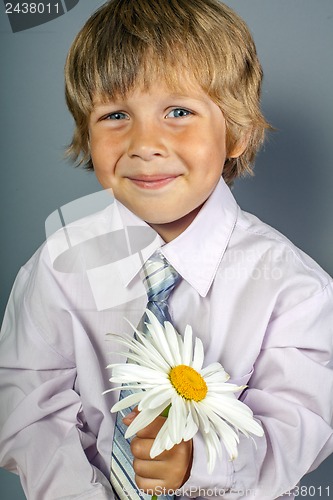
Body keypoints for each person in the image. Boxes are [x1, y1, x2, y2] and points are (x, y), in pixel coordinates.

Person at [0, 0, 332, 498]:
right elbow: (29, 413)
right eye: (115, 115)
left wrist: (199, 461)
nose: (144, 142)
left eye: (178, 111)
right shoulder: (57, 267)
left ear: (237, 132)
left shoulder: (294, 288)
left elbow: (300, 423)